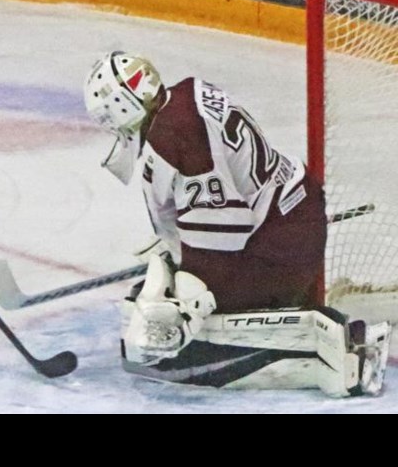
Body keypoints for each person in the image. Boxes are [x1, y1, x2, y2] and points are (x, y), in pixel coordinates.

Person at [82, 51, 390, 396]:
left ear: (124, 107)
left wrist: (188, 300)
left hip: (280, 245)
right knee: (165, 289)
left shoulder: (174, 136)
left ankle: (335, 348)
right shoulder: (187, 93)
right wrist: (174, 248)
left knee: (175, 321)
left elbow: (224, 232)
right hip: (292, 216)